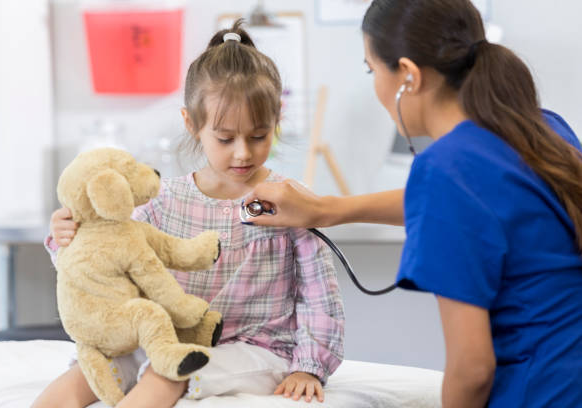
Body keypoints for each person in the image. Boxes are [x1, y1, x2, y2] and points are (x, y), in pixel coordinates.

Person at [245, 1, 582, 407]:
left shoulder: (447, 169)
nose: (375, 86)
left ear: (407, 74)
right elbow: (473, 205)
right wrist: (327, 210)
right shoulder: (541, 128)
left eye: (372, 70)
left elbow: (473, 369)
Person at [32, 20, 344, 408]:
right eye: (226, 139)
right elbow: (105, 260)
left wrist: (310, 366)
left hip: (258, 349)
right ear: (191, 124)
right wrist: (68, 237)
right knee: (90, 369)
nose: (243, 152)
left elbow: (319, 297)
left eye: (259, 136)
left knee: (170, 371)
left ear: (277, 119)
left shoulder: (294, 201)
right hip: (170, 337)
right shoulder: (163, 199)